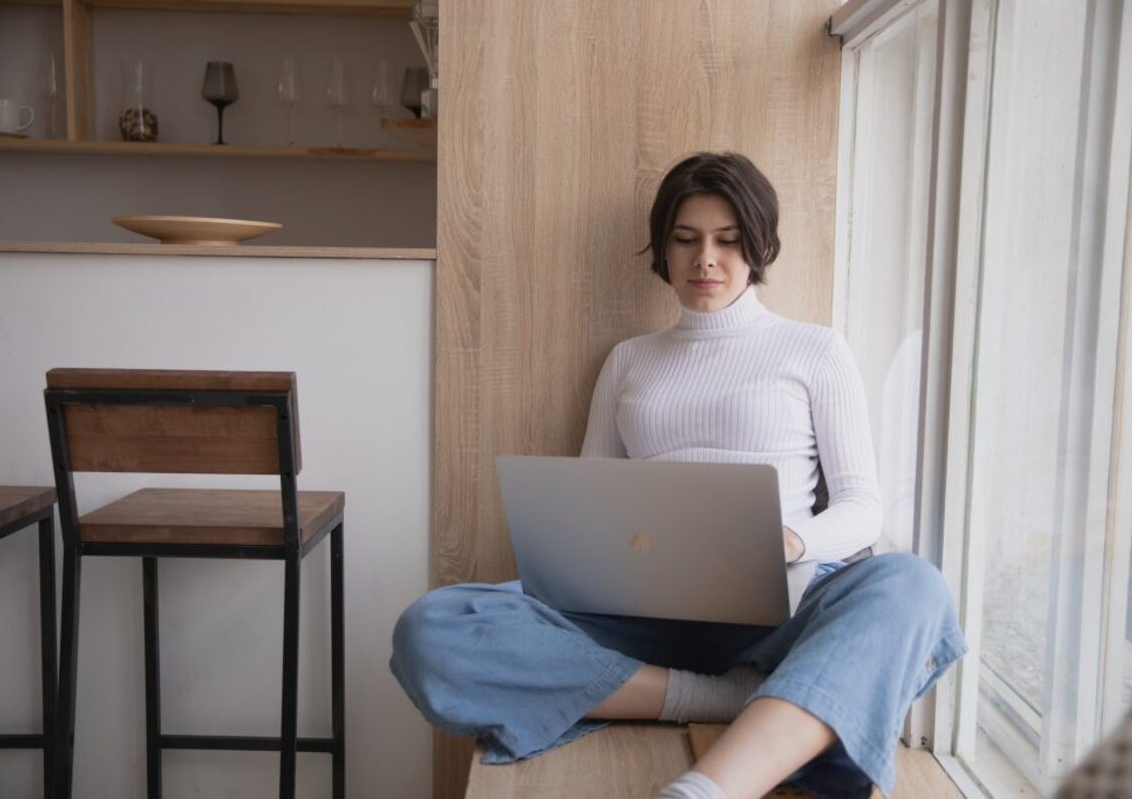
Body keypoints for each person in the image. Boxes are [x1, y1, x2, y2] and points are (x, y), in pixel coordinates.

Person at [391, 152, 967, 799]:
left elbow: (864, 506)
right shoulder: (629, 361)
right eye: (686, 240)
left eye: (728, 241)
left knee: (914, 586)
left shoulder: (816, 350)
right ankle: (723, 698)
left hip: (782, 603)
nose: (706, 261)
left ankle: (705, 790)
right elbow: (592, 498)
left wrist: (794, 541)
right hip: (639, 613)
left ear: (759, 246)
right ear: (662, 250)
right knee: (433, 626)